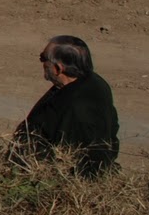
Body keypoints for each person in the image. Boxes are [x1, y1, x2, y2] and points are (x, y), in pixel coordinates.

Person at [15, 35, 120, 177]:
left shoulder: (77, 107)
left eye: (43, 58)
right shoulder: (94, 83)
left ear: (58, 68)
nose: (42, 63)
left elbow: (74, 159)